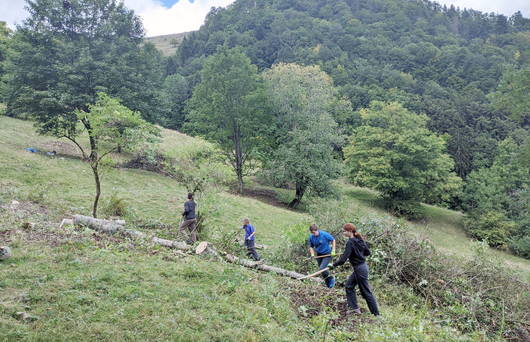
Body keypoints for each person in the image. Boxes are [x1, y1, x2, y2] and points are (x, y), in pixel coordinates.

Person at [328, 223, 380, 316]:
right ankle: (354, 308)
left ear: (350, 231)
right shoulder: (359, 239)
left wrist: (333, 265)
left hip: (360, 269)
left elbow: (343, 260)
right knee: (349, 285)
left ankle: (376, 314)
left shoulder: (350, 242)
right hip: (361, 267)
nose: (343, 233)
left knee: (366, 292)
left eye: (344, 231)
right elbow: (367, 252)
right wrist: (356, 253)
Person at [308, 224, 336, 288]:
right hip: (319, 255)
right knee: (322, 271)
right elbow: (311, 247)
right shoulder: (311, 237)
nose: (313, 234)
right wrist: (312, 254)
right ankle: (328, 284)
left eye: (314, 232)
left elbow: (333, 240)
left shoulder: (324, 234)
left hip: (327, 254)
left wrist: (333, 250)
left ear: (317, 230)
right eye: (312, 233)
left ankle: (331, 278)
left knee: (322, 268)